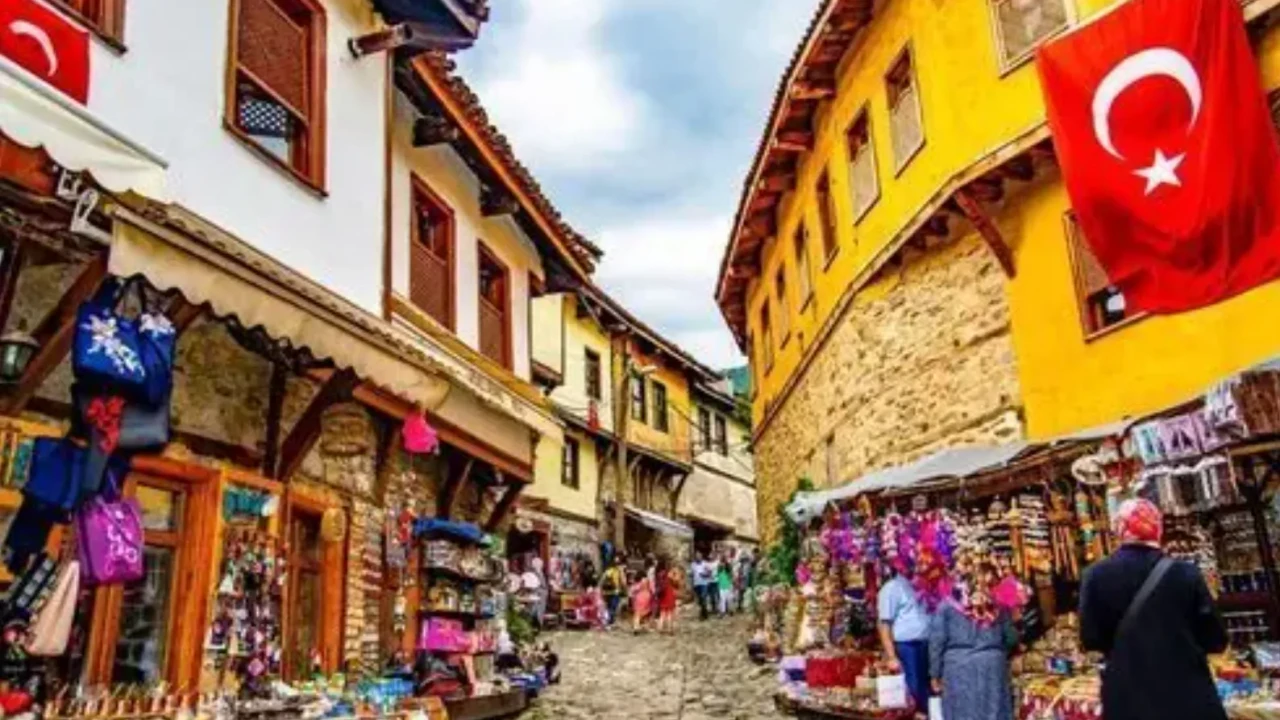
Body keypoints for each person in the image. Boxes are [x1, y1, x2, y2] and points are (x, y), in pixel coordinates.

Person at [1079, 498, 1227, 720]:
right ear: (1158, 529)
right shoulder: (1186, 573)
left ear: (1119, 529)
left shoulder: (1095, 576)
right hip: (1187, 694)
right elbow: (1215, 639)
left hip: (1129, 697)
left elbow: (1091, 639)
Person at [928, 562, 1017, 720]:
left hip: (957, 667)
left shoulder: (946, 606)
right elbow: (1011, 638)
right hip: (991, 666)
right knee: (993, 711)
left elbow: (936, 642)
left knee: (961, 712)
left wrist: (935, 673)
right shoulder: (999, 606)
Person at [878, 565, 932, 714]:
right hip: (908, 647)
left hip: (927, 644)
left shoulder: (923, 586)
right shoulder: (892, 588)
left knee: (927, 688)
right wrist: (891, 656)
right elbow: (884, 624)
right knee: (913, 688)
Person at [600, 558, 625, 627]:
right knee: (613, 607)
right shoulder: (619, 571)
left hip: (607, 592)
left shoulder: (607, 571)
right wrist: (624, 590)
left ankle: (608, 621)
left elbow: (602, 581)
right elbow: (623, 582)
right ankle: (610, 621)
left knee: (608, 607)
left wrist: (601, 590)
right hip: (615, 591)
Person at [630, 567, 654, 633]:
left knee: (637, 614)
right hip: (647, 597)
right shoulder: (648, 580)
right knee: (646, 613)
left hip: (639, 597)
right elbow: (652, 589)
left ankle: (636, 627)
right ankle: (646, 627)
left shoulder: (637, 581)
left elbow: (634, 589)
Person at [691, 553, 713, 620]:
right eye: (696, 557)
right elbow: (692, 574)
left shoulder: (705, 563)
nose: (698, 558)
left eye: (699, 556)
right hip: (696, 584)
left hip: (704, 583)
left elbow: (710, 572)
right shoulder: (693, 564)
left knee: (703, 597)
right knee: (700, 600)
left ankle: (702, 615)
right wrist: (692, 583)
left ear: (701, 557)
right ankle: (705, 613)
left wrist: (705, 574)